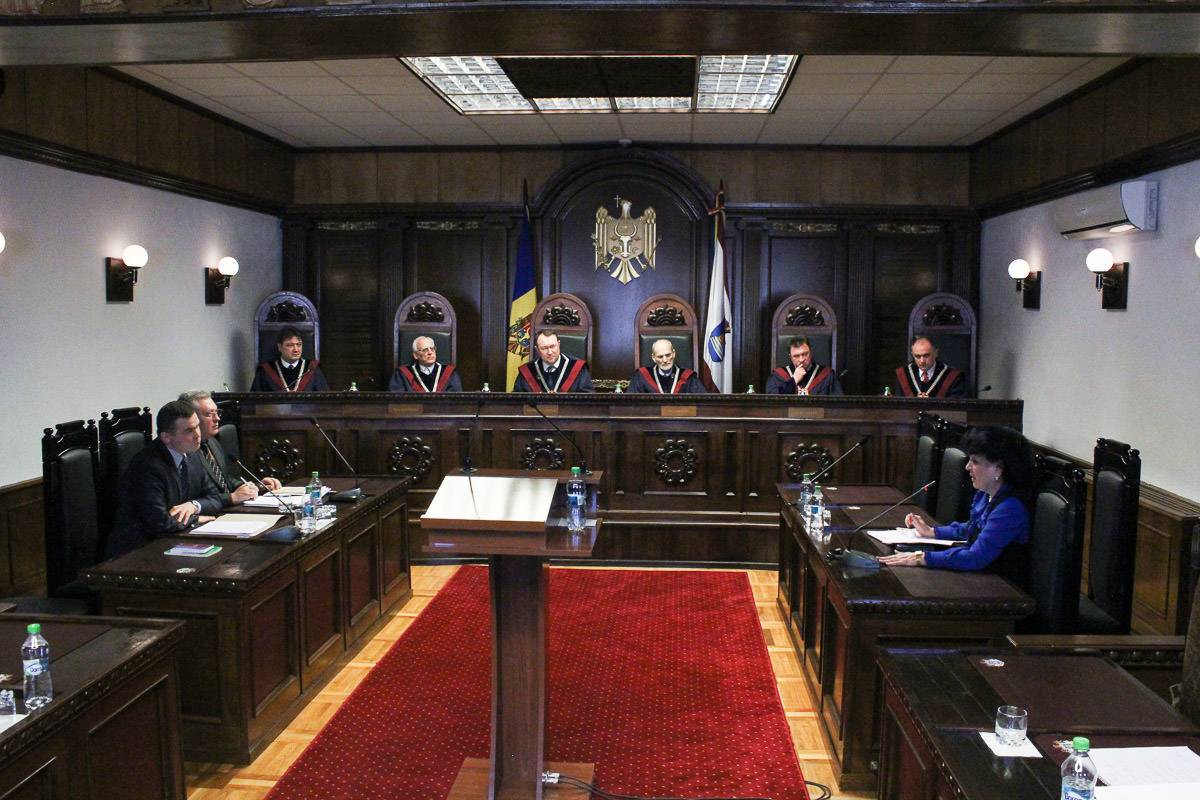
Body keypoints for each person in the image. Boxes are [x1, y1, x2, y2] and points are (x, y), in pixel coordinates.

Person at [879, 425, 1033, 573]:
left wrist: (922, 558)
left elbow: (975, 557)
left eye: (975, 462)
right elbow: (971, 528)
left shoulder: (1010, 507)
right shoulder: (987, 494)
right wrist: (932, 532)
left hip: (998, 585)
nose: (967, 467)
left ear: (998, 469)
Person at [104, 400, 223, 559]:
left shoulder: (193, 454)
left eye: (197, 426)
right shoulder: (148, 466)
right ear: (166, 437)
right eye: (189, 430)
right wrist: (196, 520)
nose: (197, 434)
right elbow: (160, 523)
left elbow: (215, 498)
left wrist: (194, 506)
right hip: (137, 552)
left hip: (176, 542)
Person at [179, 390, 281, 507]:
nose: (217, 418)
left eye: (217, 412)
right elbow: (196, 497)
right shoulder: (185, 451)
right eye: (209, 414)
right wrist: (232, 497)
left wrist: (257, 487)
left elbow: (225, 481)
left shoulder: (212, 442)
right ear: (191, 418)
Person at [512, 329, 595, 393]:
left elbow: (589, 399)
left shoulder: (577, 368)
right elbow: (517, 402)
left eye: (552, 347)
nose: (550, 352)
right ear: (537, 349)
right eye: (544, 348)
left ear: (558, 344)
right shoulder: (527, 371)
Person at [250, 326, 331, 392]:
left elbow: (324, 400)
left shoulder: (312, 369)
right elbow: (255, 401)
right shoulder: (265, 371)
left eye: (299, 344)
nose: (296, 349)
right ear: (280, 347)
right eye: (290, 345)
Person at [766, 336, 843, 395]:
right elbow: (774, 403)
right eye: (796, 356)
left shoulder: (827, 376)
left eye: (805, 354)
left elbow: (837, 403)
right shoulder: (777, 376)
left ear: (811, 352)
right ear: (790, 357)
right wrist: (793, 381)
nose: (801, 359)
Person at [892, 336, 966, 398]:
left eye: (926, 356)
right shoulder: (904, 375)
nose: (922, 361)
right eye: (917, 356)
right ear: (912, 355)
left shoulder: (952, 376)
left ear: (936, 353)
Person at [626, 338, 707, 394]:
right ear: (654, 358)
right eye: (660, 356)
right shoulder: (641, 377)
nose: (665, 360)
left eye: (668, 355)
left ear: (673, 354)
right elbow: (632, 405)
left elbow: (701, 403)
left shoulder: (689, 378)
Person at [389, 336, 463, 392]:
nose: (430, 352)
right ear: (416, 355)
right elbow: (397, 402)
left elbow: (456, 401)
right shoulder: (402, 374)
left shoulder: (450, 373)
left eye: (432, 348)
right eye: (425, 350)